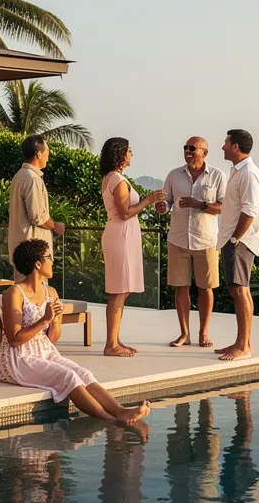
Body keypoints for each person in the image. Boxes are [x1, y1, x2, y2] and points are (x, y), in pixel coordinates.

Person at [0, 239, 151, 424]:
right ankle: (110, 420)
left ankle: (120, 411)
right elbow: (14, 340)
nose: (52, 261)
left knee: (83, 373)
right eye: (49, 257)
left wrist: (55, 321)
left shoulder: (51, 292)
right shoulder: (14, 294)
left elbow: (52, 338)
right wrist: (44, 319)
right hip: (18, 359)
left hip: (44, 351)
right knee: (67, 376)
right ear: (37, 263)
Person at [155, 136, 227, 348]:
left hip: (206, 241)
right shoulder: (174, 175)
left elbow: (224, 206)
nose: (188, 151)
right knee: (181, 287)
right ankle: (184, 334)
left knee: (206, 288)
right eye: (186, 147)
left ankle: (203, 333)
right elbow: (166, 202)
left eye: (193, 148)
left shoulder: (217, 176)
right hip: (178, 239)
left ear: (204, 152)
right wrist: (161, 207)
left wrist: (200, 204)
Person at [99, 137, 166, 357]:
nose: (132, 154)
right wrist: (148, 199)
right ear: (120, 154)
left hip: (121, 235)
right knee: (118, 290)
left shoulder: (113, 178)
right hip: (121, 235)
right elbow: (125, 213)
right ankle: (111, 344)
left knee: (122, 289)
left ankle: (115, 340)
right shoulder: (117, 180)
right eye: (129, 151)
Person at [215, 129, 259, 361]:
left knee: (240, 290)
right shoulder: (238, 172)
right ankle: (240, 342)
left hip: (240, 241)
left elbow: (250, 211)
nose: (223, 146)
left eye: (226, 143)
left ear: (235, 146)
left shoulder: (249, 174)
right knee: (237, 290)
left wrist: (235, 239)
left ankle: (244, 346)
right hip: (232, 239)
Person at [9, 135, 65, 281]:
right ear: (39, 153)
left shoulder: (19, 176)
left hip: (21, 247)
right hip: (32, 251)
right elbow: (37, 217)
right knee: (34, 296)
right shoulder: (32, 178)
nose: (48, 156)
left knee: (24, 294)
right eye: (47, 152)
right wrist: (55, 226)